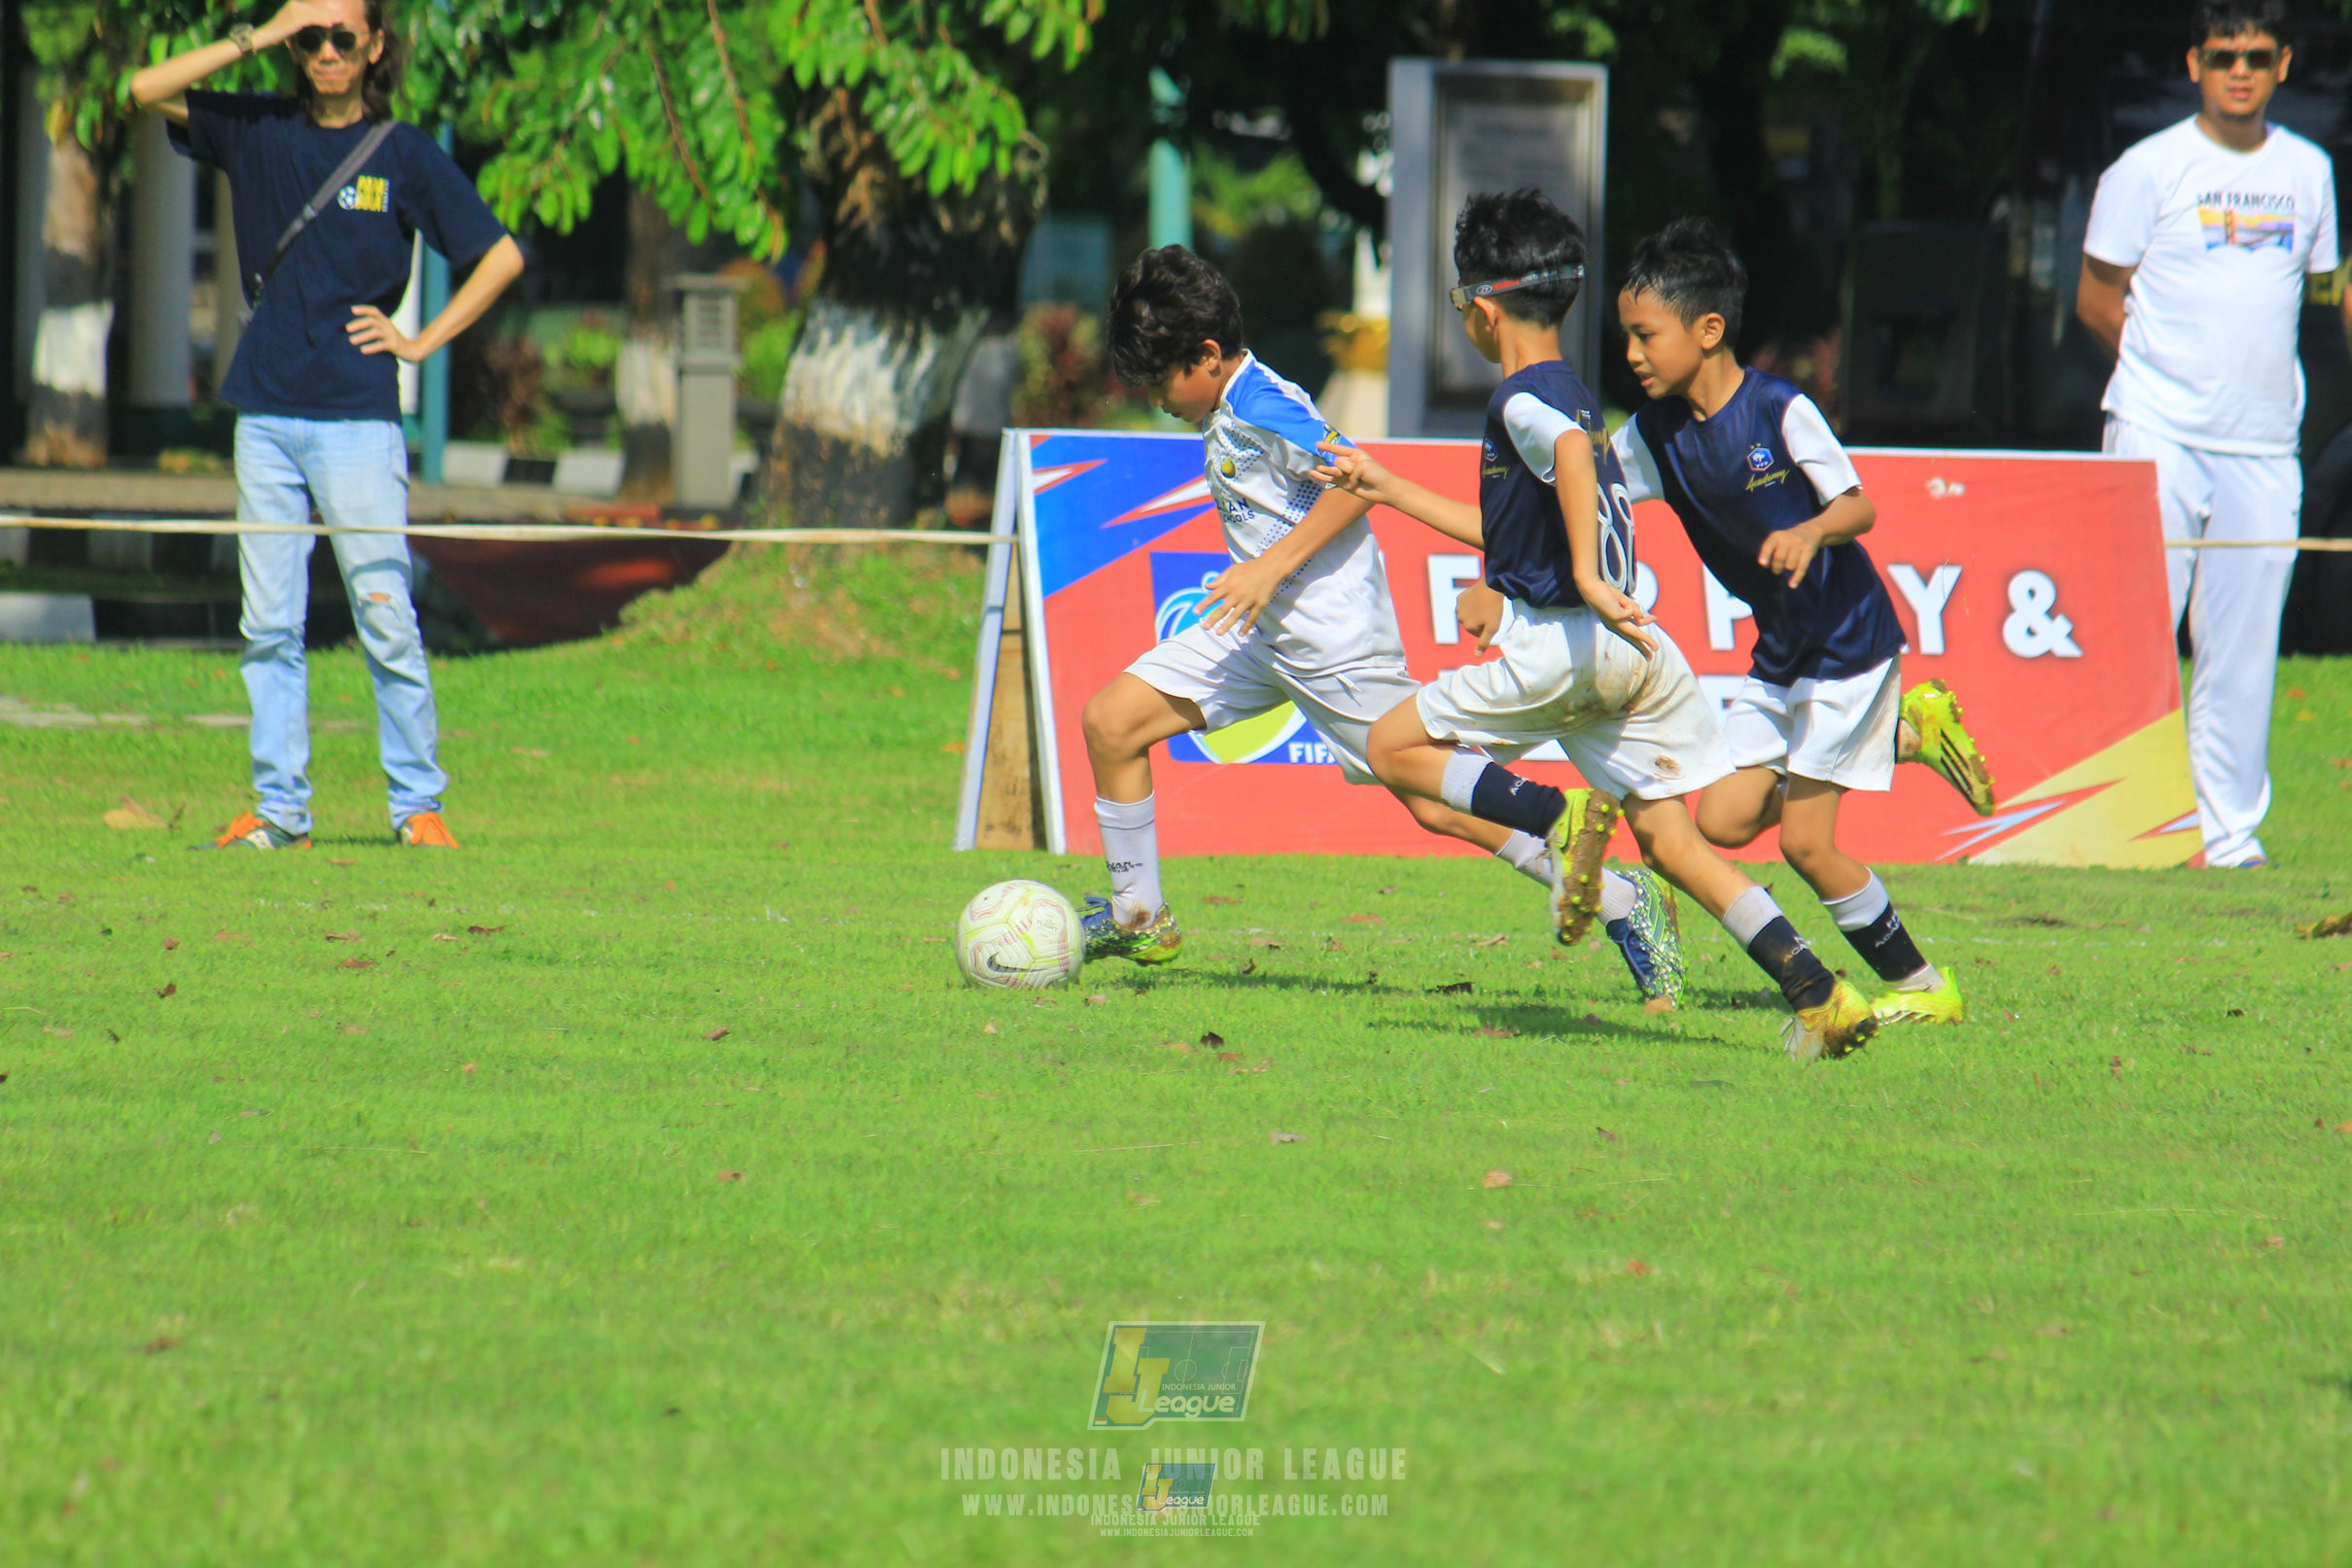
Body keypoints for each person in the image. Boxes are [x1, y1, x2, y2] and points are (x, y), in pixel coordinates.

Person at [1318, 190, 1878, 1060]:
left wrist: (1578, 573)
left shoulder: (1520, 402)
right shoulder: (1574, 395)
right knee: (1671, 840)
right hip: (1635, 654)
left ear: (1483, 306)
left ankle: (1555, 816)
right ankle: (1817, 989)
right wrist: (1387, 488)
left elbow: (1574, 462)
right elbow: (1521, 514)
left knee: (1390, 750)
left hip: (1562, 645)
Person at [1080, 245, 1686, 1006]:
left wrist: (1267, 569)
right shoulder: (1229, 404)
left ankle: (1616, 888)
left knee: (1434, 802)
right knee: (1110, 722)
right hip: (1259, 633)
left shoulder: (1263, 401)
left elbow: (1356, 481)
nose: (1156, 397)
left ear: (1206, 354)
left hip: (1329, 637)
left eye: (1160, 378)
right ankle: (1139, 915)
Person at [132, 0, 524, 851]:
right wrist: (261, 33)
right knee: (268, 624)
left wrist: (418, 342)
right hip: (266, 416)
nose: (327, 51)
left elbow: (501, 255)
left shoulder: (405, 152)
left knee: (385, 613)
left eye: (343, 35)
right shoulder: (258, 129)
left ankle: (418, 807)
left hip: (357, 421)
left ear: (375, 45)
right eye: (313, 37)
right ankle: (280, 813)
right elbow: (142, 88)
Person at [1612, 219, 1990, 1028]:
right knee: (1720, 819)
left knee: (1806, 846)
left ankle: (1928, 987)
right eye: (1627, 337)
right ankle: (1906, 734)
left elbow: (1860, 504)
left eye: (1645, 335)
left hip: (1846, 645)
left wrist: (1811, 529)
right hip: (1781, 653)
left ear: (1707, 330)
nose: (1633, 354)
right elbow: (1585, 483)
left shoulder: (1778, 409)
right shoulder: (1652, 434)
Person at [2076, 0, 2346, 869]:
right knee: (2138, 633)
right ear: (2193, 64)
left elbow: (2321, 294)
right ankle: (2123, 826)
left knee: (2241, 651)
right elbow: (2094, 293)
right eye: (2223, 54)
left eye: (2257, 56)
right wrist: (2163, 378)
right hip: (2157, 431)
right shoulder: (2146, 168)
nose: (2240, 69)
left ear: (2282, 65)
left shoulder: (2308, 172)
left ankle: (2227, 835)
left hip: (2264, 445)